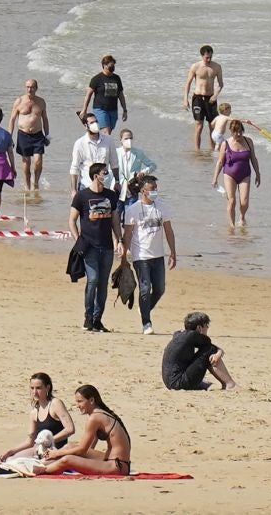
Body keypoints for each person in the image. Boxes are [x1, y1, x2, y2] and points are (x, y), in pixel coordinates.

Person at [32, 385, 133, 476]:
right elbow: (89, 446)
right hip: (114, 460)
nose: (77, 405)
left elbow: (82, 450)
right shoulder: (100, 414)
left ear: (91, 400)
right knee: (69, 447)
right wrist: (81, 459)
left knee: (68, 460)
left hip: (117, 466)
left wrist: (56, 453)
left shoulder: (95, 418)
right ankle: (42, 463)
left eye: (80, 401)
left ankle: (41, 470)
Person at [120, 174, 177, 333]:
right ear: (143, 191)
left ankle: (145, 308)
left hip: (158, 255)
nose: (155, 192)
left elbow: (169, 231)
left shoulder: (162, 207)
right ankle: (146, 323)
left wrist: (173, 252)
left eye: (156, 189)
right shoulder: (133, 210)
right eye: (152, 190)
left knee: (159, 289)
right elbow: (128, 234)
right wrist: (124, 256)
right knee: (145, 288)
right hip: (141, 256)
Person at [70, 162, 121, 332]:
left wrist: (119, 239)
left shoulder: (111, 195)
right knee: (92, 280)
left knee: (103, 284)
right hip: (89, 246)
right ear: (95, 176)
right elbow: (72, 220)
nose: (106, 176)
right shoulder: (82, 196)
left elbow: (114, 220)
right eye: (104, 173)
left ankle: (98, 319)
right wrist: (78, 240)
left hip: (106, 246)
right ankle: (88, 316)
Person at [0, 373, 76, 466]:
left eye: (38, 388)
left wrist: (48, 441)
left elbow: (70, 429)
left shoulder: (55, 404)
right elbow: (30, 442)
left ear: (47, 388)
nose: (34, 392)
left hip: (57, 451)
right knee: (8, 460)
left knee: (23, 465)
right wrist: (9, 452)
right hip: (38, 451)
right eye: (32, 388)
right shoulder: (34, 412)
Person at [162, 312, 239, 391]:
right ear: (199, 328)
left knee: (206, 350)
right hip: (178, 383)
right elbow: (210, 346)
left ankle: (222, 383)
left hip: (170, 382)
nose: (207, 328)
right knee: (209, 350)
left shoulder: (179, 334)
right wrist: (220, 352)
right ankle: (230, 384)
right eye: (206, 326)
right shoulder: (192, 335)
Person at [212, 119, 260, 226]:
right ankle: (232, 225)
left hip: (245, 175)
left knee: (244, 202)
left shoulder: (248, 141)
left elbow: (253, 159)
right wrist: (215, 178)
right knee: (232, 201)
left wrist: (258, 174)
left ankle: (242, 217)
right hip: (229, 175)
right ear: (231, 131)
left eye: (240, 131)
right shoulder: (225, 143)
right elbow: (220, 162)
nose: (238, 134)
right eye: (235, 132)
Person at [79, 55, 128, 135]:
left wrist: (125, 110)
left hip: (113, 110)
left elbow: (120, 95)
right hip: (100, 109)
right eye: (111, 65)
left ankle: (96, 138)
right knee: (106, 131)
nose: (113, 67)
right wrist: (84, 109)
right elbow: (88, 95)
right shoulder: (97, 79)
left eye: (113, 65)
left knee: (107, 132)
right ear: (104, 65)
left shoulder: (117, 78)